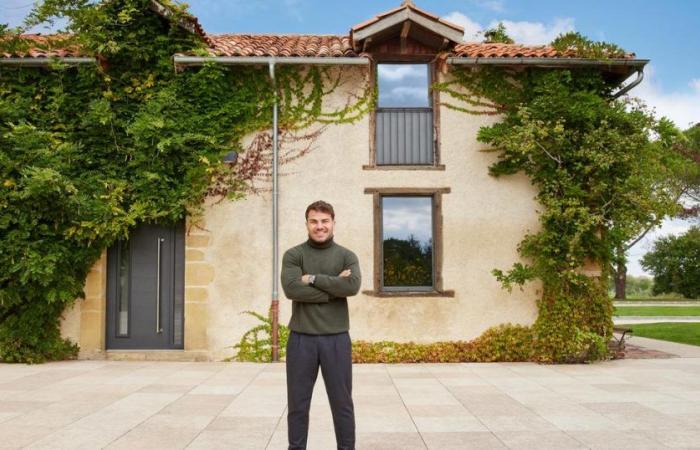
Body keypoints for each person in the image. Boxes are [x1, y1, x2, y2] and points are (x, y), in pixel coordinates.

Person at [281, 200, 361, 450]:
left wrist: (313, 279)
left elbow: (352, 286)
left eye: (325, 221)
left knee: (342, 404)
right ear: (307, 224)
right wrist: (334, 289)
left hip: (336, 339)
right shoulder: (294, 255)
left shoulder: (347, 255)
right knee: (297, 405)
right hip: (301, 340)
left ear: (333, 223)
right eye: (314, 221)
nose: (320, 226)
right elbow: (292, 289)